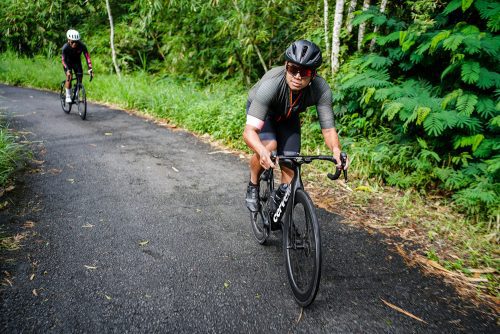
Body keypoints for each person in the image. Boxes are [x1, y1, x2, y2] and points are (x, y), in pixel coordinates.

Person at [243, 39, 349, 212]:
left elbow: (328, 129)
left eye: (305, 71)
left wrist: (336, 151)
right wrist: (262, 151)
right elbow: (249, 132)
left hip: (289, 115)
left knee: (291, 166)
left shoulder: (320, 89)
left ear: (313, 74)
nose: (298, 77)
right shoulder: (271, 85)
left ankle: (278, 209)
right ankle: (253, 183)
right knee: (269, 146)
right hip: (265, 112)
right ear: (286, 66)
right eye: (293, 70)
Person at [61, 29, 93, 103]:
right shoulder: (65, 47)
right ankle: (68, 96)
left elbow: (87, 57)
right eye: (72, 42)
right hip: (67, 63)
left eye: (76, 42)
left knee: (80, 78)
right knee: (70, 76)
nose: (75, 44)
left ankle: (76, 94)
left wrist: (90, 69)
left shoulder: (82, 46)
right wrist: (67, 70)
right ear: (68, 40)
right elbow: (63, 60)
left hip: (76, 63)